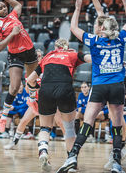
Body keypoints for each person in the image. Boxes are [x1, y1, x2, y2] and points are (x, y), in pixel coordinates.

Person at [57, 0, 126, 173]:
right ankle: (116, 161)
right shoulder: (120, 38)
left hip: (100, 86)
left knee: (87, 123)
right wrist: (123, 0)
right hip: (117, 85)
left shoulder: (94, 40)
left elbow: (74, 27)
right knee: (116, 125)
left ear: (100, 28)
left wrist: (77, 8)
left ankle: (72, 157)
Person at [26, 38, 91, 172]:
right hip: (64, 88)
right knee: (69, 128)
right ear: (66, 47)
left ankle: (43, 151)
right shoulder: (72, 53)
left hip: (45, 90)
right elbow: (91, 58)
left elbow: (30, 80)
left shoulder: (47, 56)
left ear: (55, 48)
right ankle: (71, 162)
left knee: (45, 127)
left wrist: (36, 90)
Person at [0, 0, 38, 133]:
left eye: (4, 6)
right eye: (0, 8)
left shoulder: (13, 14)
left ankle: (33, 101)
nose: (4, 8)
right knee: (15, 87)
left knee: (32, 80)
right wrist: (12, 35)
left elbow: (17, 4)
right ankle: (3, 118)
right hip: (15, 54)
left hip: (29, 50)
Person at [3, 49, 66, 149]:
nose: (38, 58)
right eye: (36, 56)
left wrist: (38, 87)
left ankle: (70, 143)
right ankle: (14, 143)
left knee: (60, 122)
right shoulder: (30, 71)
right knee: (23, 121)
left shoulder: (47, 70)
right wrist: (36, 87)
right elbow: (27, 90)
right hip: (35, 102)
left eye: (40, 56)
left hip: (49, 102)